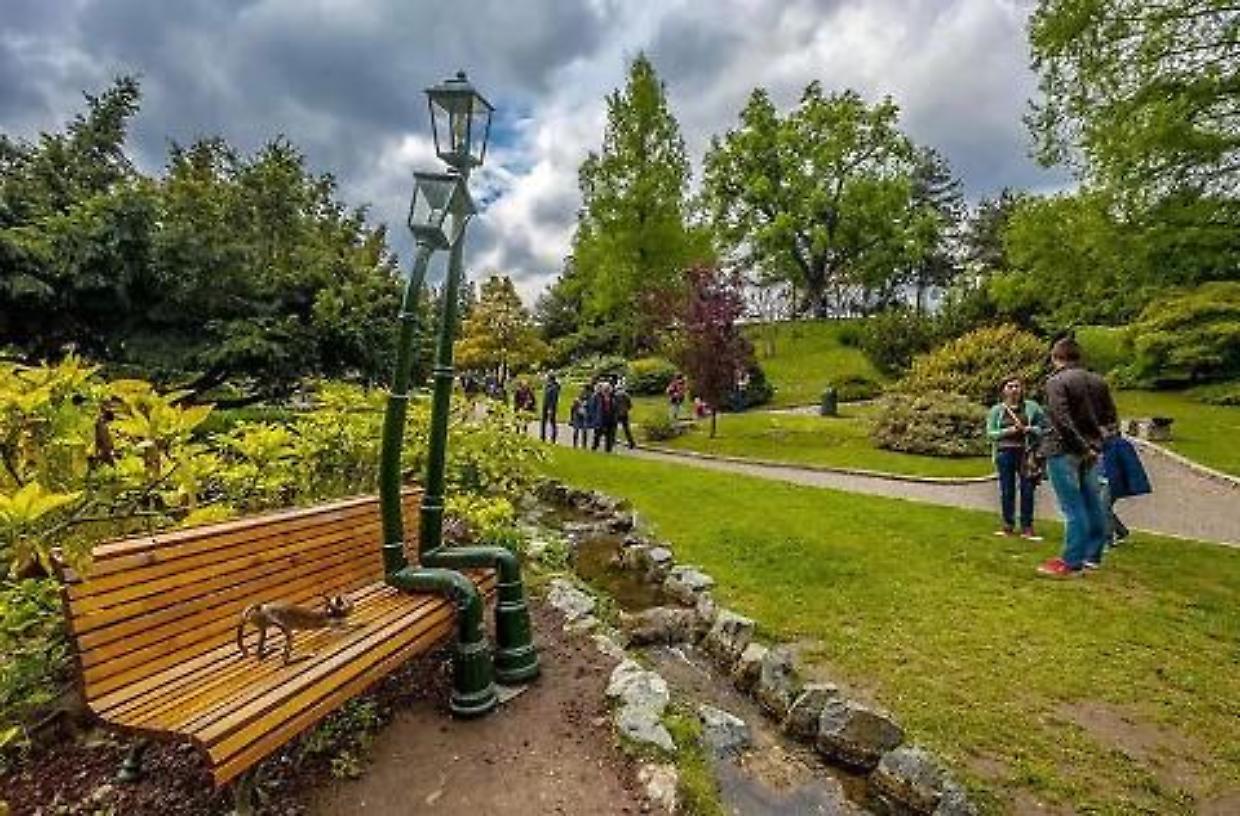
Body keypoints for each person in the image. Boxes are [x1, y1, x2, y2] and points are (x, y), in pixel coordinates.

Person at [1037, 337, 1118, 578]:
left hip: (1064, 449)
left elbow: (1061, 420)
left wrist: (1083, 447)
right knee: (1092, 502)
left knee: (1072, 506)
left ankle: (1071, 560)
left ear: (1055, 357)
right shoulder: (1098, 381)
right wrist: (1097, 445)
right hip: (1091, 449)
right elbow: (1111, 419)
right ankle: (1092, 554)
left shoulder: (1056, 382)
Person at [986, 376, 1047, 540]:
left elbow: (1044, 427)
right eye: (1010, 386)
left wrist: (1029, 429)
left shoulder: (1032, 407)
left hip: (1026, 453)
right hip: (1004, 453)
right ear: (1003, 390)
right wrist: (1009, 431)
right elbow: (991, 433)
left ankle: (1027, 526)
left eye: (1017, 386)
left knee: (1028, 489)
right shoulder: (997, 410)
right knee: (1007, 490)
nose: (1014, 390)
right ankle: (1008, 525)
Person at [591, 381, 618, 453]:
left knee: (609, 436)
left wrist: (615, 417)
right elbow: (593, 408)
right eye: (605, 389)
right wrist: (594, 418)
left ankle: (608, 450)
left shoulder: (613, 397)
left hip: (610, 419)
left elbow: (615, 408)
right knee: (597, 435)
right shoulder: (597, 397)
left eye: (608, 389)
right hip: (601, 419)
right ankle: (594, 448)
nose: (607, 390)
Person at [540, 372, 561, 443]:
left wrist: (550, 408)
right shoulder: (548, 386)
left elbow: (553, 399)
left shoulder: (554, 388)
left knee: (552, 422)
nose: (546, 379)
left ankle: (553, 438)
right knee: (543, 421)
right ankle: (542, 437)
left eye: (548, 377)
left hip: (550, 407)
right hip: (545, 406)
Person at [614, 383, 636, 449]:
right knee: (626, 429)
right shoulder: (626, 395)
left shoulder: (615, 395)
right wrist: (626, 409)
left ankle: (613, 441)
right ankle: (631, 443)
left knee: (614, 428)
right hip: (625, 413)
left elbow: (614, 405)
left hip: (617, 413)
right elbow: (630, 405)